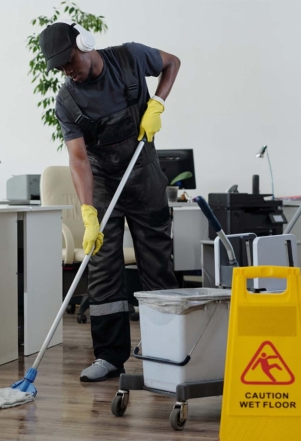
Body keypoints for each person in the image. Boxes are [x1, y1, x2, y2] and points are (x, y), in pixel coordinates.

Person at [39, 22, 181, 382]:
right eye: (60, 68)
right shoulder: (67, 101)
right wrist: (88, 213)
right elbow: (78, 160)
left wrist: (158, 103)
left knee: (157, 265)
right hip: (103, 183)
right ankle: (108, 357)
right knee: (102, 270)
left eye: (69, 61)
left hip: (144, 177)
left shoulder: (130, 57)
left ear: (84, 44)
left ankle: (165, 351)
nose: (68, 71)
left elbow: (172, 62)